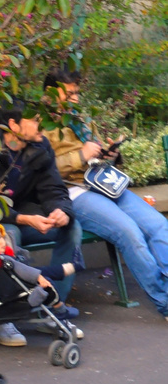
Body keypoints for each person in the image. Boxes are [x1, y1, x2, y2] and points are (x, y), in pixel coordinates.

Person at [42, 66, 168, 323]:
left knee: (158, 225)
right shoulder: (39, 123)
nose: (75, 98)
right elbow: (42, 168)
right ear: (49, 92)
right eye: (70, 93)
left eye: (77, 92)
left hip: (103, 181)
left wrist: (108, 154)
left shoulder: (77, 117)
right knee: (129, 233)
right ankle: (165, 302)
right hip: (74, 191)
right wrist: (81, 155)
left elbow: (93, 150)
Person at [0, 102, 83, 346]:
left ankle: (52, 308)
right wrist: (23, 218)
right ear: (14, 126)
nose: (42, 126)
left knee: (71, 229)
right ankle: (1, 319)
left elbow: (54, 189)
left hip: (29, 217)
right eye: (36, 120)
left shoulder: (39, 146)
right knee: (9, 234)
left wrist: (62, 211)